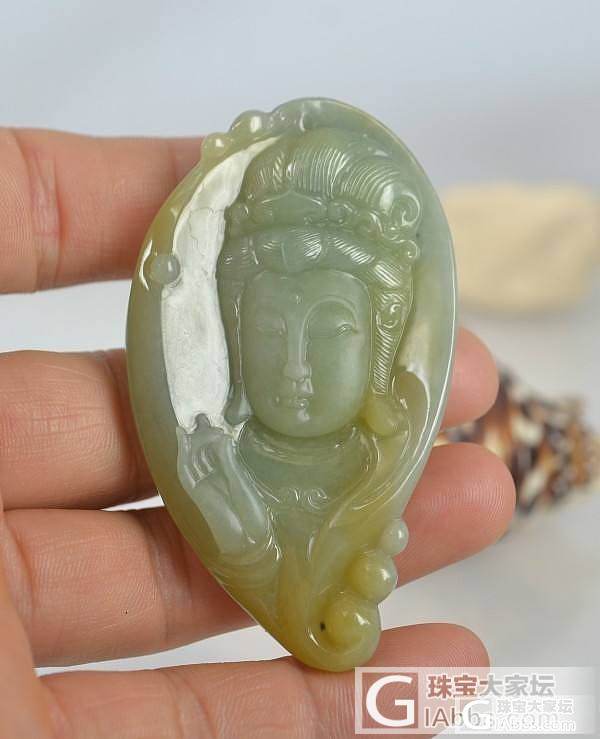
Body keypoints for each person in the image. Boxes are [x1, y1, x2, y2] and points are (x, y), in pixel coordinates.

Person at [0, 128, 515, 738]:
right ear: (236, 345)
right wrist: (243, 542)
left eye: (329, 332)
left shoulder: (372, 480)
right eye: (269, 332)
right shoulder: (217, 469)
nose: (296, 368)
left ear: (380, 347)